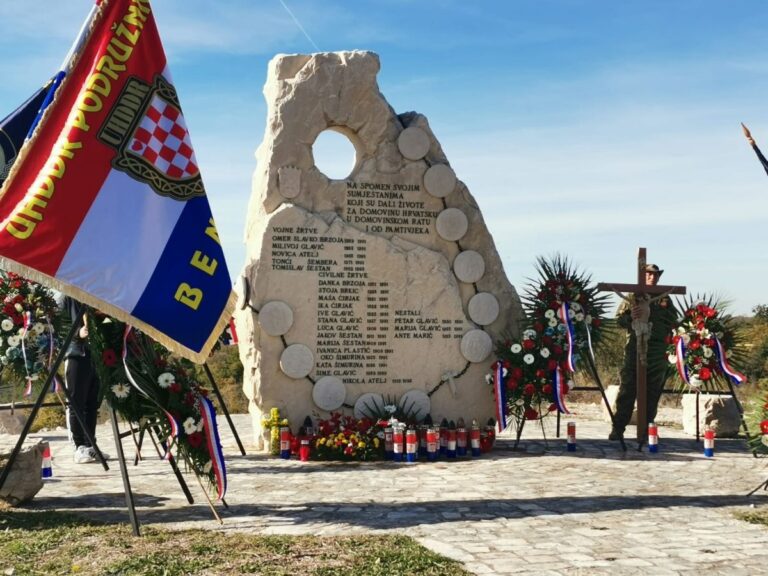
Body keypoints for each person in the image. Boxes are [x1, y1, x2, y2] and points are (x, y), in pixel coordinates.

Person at [609, 264, 677, 441]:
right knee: (627, 391)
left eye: (655, 275)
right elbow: (618, 321)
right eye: (649, 274)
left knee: (652, 393)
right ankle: (618, 429)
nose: (652, 278)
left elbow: (674, 321)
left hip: (657, 353)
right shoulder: (632, 296)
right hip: (635, 350)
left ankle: (647, 430)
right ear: (642, 275)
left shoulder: (665, 298)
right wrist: (630, 316)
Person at [61, 296, 107, 463]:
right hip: (75, 355)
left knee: (92, 404)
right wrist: (77, 333)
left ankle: (90, 445)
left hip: (95, 355)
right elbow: (58, 327)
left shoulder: (94, 295)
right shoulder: (67, 297)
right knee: (75, 403)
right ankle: (79, 447)